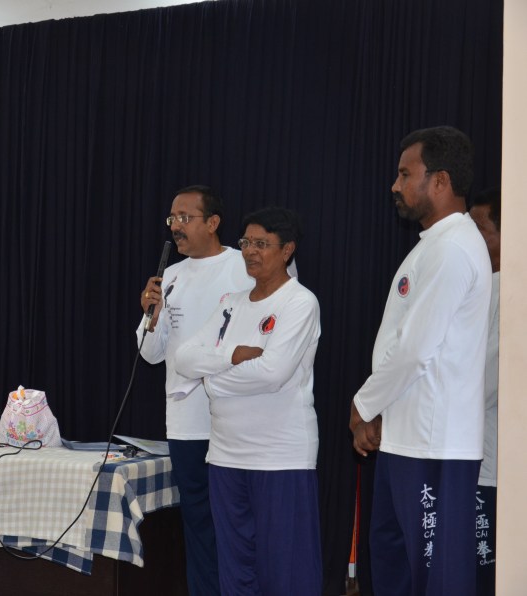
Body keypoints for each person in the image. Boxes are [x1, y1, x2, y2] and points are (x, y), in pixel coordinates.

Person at [349, 126, 491, 595]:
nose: (395, 185)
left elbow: (414, 349)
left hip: (436, 446)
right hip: (405, 439)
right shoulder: (432, 245)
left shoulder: (453, 248)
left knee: (437, 579)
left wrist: (364, 404)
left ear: (440, 180)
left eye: (405, 174)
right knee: (395, 568)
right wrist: (381, 412)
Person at [174, 206, 321, 595]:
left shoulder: (299, 302)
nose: (250, 251)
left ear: (287, 250)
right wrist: (232, 355)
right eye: (245, 242)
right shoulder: (231, 302)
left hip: (280, 458)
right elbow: (184, 358)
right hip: (225, 457)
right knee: (235, 568)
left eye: (262, 244)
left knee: (284, 570)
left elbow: (272, 372)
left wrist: (212, 381)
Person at [136, 185, 252, 595]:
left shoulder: (244, 267)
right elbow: (150, 354)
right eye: (172, 218)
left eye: (185, 218)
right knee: (198, 524)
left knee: (237, 522)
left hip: (234, 421)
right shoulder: (170, 276)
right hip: (185, 423)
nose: (176, 226)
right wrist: (150, 315)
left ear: (213, 222)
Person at [469, 187, 500, 594]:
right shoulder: (483, 286)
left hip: (490, 464)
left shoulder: (506, 290)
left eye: (480, 228)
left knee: (486, 571)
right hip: (476, 457)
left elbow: (486, 380)